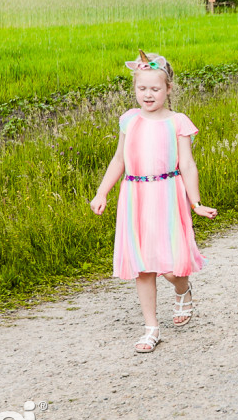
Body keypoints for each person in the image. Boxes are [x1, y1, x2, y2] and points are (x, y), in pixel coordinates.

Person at [90, 50, 216, 353]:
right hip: (135, 196)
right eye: (141, 88)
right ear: (135, 89)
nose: (148, 94)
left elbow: (187, 164)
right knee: (144, 266)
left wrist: (196, 201)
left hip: (169, 194)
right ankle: (151, 328)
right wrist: (102, 191)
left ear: (168, 89)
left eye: (155, 89)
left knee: (172, 267)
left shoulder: (178, 122)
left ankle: (182, 290)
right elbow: (119, 159)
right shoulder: (129, 120)